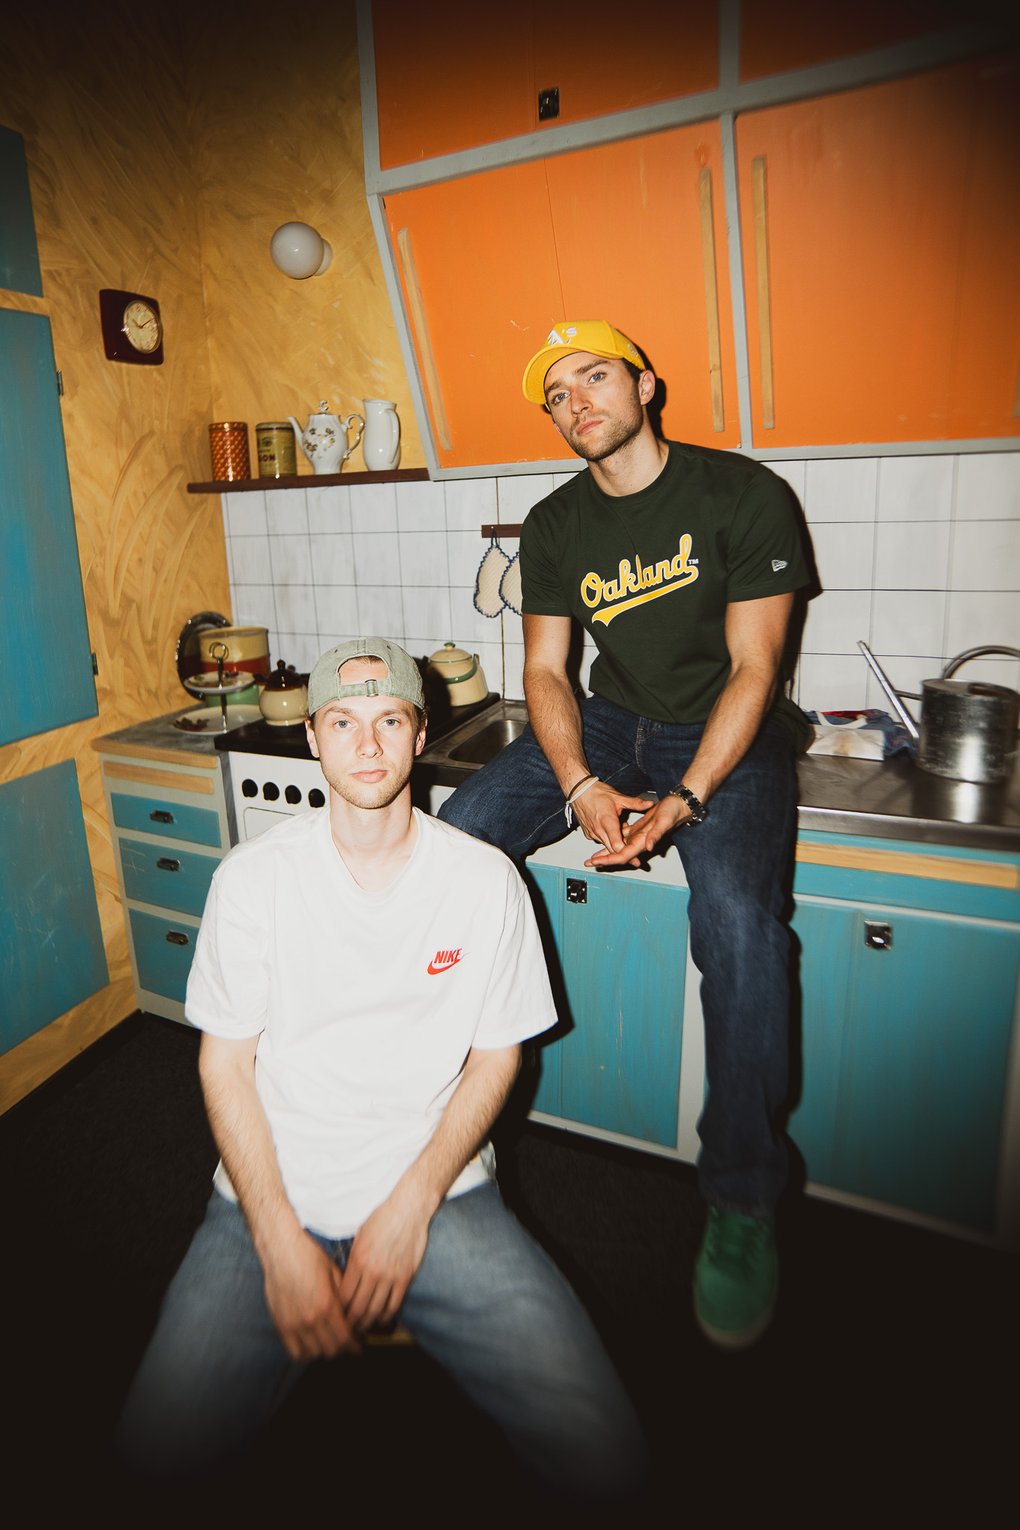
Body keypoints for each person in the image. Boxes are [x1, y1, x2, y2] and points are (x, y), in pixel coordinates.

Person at [114, 637, 648, 1503]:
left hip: (438, 1196)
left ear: (420, 732)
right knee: (152, 1461)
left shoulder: (484, 881)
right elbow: (223, 1065)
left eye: (389, 720)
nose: (367, 745)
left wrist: (411, 1203)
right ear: (315, 739)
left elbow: (495, 1055)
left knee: (604, 1450)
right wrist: (279, 1238)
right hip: (266, 1200)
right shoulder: (253, 881)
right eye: (343, 722)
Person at [438, 321, 812, 1352]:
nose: (575, 403)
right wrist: (579, 780)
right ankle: (437, 1114)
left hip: (723, 729)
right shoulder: (553, 523)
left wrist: (683, 799)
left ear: (644, 384)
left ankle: (742, 1199)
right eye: (555, 395)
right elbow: (549, 675)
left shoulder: (742, 495)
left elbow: (755, 670)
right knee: (459, 840)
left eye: (593, 377)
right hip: (612, 722)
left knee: (738, 926)